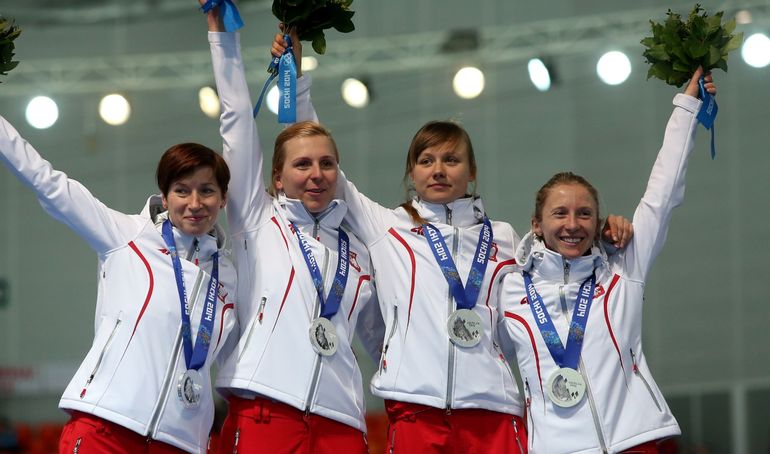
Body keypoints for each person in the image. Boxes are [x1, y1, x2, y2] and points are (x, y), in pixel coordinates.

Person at [499, 68, 715, 453]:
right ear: (536, 224)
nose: (572, 224)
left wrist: (688, 106)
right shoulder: (509, 286)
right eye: (560, 213)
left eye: (584, 214)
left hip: (634, 440)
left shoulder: (623, 266)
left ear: (598, 223)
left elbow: (662, 195)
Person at [201, 5, 382, 453]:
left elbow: (380, 337)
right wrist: (221, 37)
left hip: (342, 422)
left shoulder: (358, 247)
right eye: (302, 164)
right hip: (266, 412)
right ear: (278, 178)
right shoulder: (256, 220)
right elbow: (237, 123)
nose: (317, 173)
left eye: (327, 164)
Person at [0, 120, 237, 451]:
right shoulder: (126, 236)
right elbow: (48, 182)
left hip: (182, 442)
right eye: (182, 190)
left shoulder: (227, 276)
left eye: (207, 190)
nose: (194, 203)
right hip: (106, 428)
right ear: (165, 196)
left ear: (224, 198)